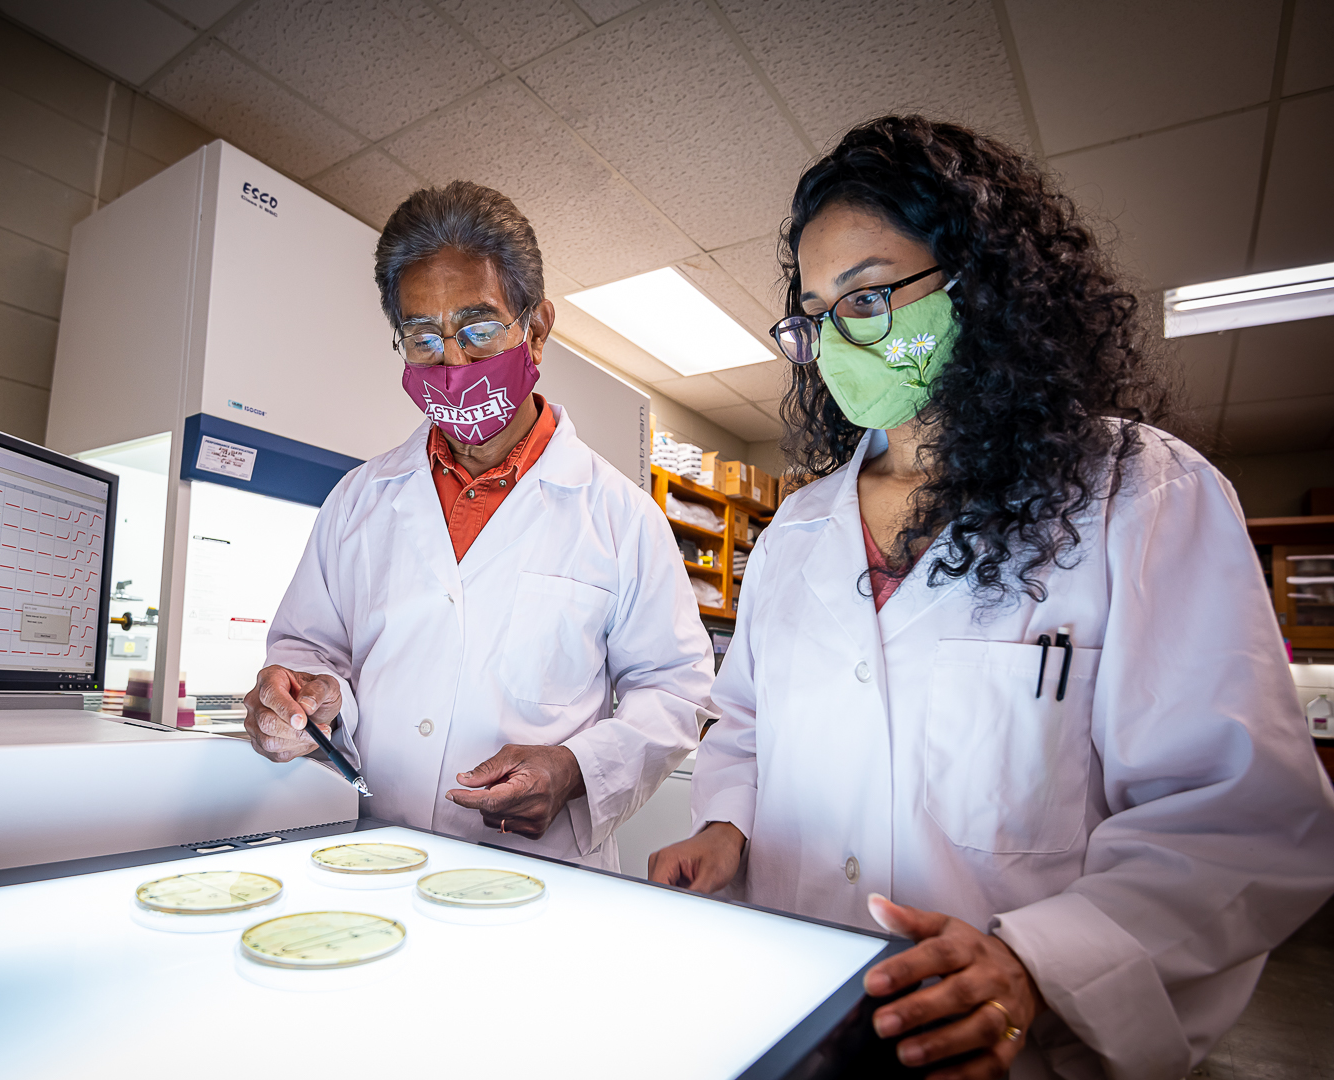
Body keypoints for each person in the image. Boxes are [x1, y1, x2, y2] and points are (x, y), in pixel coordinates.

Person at [650, 117, 1334, 1078]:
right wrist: (727, 823)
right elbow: (746, 726)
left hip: (1013, 1050)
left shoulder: (1136, 493)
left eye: (870, 294)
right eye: (814, 312)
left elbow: (1238, 813)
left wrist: (1035, 963)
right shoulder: (795, 532)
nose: (836, 336)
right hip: (795, 1001)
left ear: (981, 285)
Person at [244, 181, 714, 869]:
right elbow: (310, 649)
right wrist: (304, 695)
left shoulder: (619, 515)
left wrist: (576, 768)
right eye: (422, 337)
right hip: (375, 852)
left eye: (478, 328)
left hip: (542, 872)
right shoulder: (358, 499)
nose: (453, 362)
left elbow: (673, 688)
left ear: (538, 328)